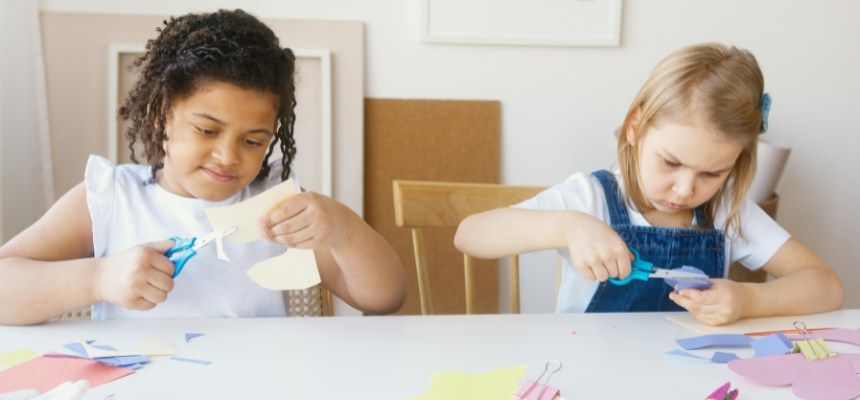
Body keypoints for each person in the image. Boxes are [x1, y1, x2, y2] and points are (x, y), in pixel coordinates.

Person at [0, 9, 406, 325]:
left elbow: (385, 299)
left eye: (253, 141)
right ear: (162, 115)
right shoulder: (110, 199)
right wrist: (97, 279)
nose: (228, 156)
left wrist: (345, 229)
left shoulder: (276, 203)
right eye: (207, 130)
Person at [455, 43, 843, 325]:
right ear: (634, 129)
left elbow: (826, 286)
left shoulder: (727, 212)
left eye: (712, 173)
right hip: (585, 372)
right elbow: (470, 234)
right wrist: (568, 226)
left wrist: (749, 298)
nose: (684, 190)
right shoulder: (589, 198)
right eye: (671, 162)